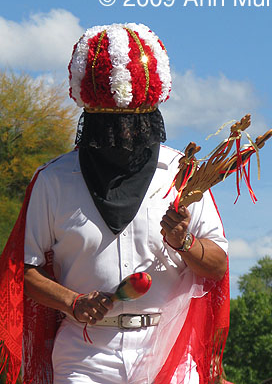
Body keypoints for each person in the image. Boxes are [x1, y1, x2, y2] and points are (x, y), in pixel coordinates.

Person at [0, 23, 229, 384]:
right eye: (111, 128)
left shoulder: (180, 175)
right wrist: (72, 302)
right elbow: (24, 271)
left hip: (168, 351)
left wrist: (184, 242)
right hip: (84, 356)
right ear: (90, 122)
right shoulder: (53, 180)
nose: (123, 139)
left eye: (133, 127)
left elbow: (217, 267)